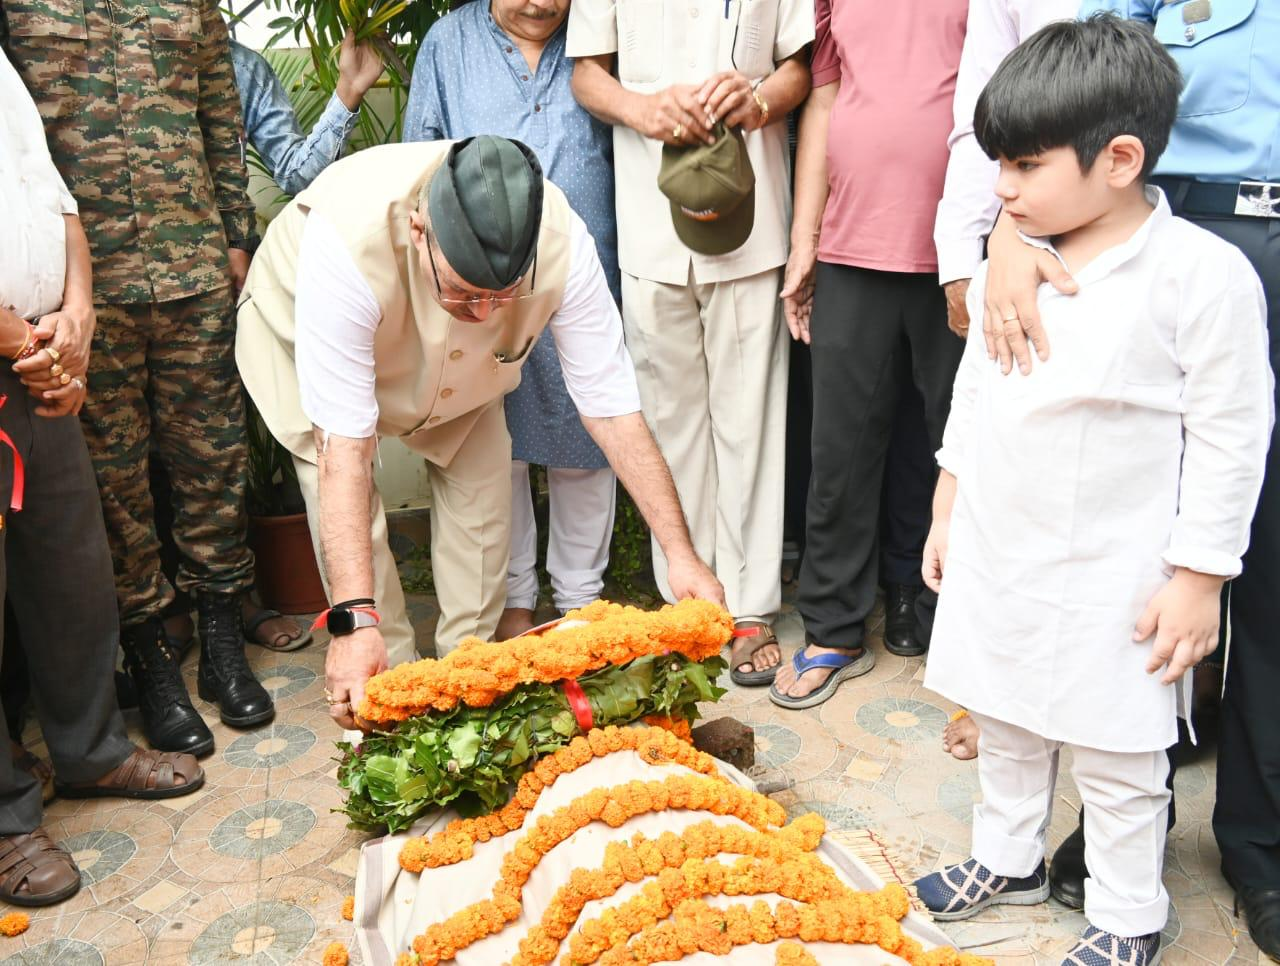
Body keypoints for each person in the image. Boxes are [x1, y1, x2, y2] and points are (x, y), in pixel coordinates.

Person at [912, 18, 1273, 966]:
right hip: (1005, 537)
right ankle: (1008, 855)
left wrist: (1200, 575)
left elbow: (1235, 435)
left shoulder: (1202, 276)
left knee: (1118, 757)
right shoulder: (1019, 253)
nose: (1003, 188)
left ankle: (1125, 911)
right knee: (1007, 718)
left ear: (1119, 158)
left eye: (1024, 166)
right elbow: (979, 381)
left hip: (1119, 566)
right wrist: (950, 496)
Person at [236, 135, 724, 727]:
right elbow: (346, 453)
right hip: (308, 343)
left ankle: (465, 695)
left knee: (485, 526)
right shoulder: (345, 244)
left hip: (465, 383)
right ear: (420, 232)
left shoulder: (562, 242)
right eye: (464, 293)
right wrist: (352, 622)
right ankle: (389, 704)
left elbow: (612, 407)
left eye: (504, 295)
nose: (485, 316)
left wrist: (681, 554)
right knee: (357, 559)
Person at [2, 0, 275, 758]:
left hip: (193, 264)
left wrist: (235, 239)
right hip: (86, 290)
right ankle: (151, 656)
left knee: (213, 462)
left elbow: (221, 117)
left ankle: (224, 642)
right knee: (114, 482)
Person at [0, 48, 203, 909]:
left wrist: (74, 319)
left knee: (74, 573)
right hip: (21, 351)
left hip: (40, 360)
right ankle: (8, 818)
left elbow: (56, 201)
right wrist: (22, 343)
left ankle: (87, 752)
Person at [567, 0, 812, 686]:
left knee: (750, 423)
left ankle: (753, 608)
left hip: (751, 219)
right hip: (650, 223)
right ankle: (691, 602)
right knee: (670, 426)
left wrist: (758, 99)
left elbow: (801, 68)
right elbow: (588, 74)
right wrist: (645, 111)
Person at [150, 28, 386, 662]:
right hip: (115, 284)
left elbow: (294, 172)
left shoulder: (238, 65)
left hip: (211, 286)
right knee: (135, 458)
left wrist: (345, 94)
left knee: (214, 450)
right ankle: (159, 614)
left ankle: (235, 609)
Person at [770, 0, 968, 708]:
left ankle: (939, 609)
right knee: (840, 448)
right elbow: (822, 104)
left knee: (953, 446)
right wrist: (805, 245)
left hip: (960, 250)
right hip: (852, 244)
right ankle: (833, 623)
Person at [402, 0, 620, 641]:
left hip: (584, 268)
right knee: (501, 446)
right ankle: (515, 602)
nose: (541, 4)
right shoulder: (448, 43)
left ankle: (581, 601)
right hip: (484, 286)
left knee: (589, 436)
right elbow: (421, 161)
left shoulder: (597, 35)